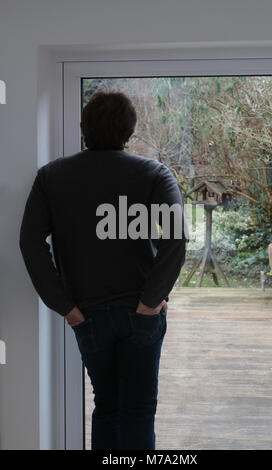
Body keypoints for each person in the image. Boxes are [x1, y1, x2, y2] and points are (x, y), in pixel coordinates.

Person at [19, 89, 188, 450]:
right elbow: (176, 241)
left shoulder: (52, 177)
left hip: (88, 314)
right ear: (130, 130)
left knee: (107, 407)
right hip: (140, 313)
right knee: (138, 411)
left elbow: (30, 244)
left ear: (83, 128)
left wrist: (64, 306)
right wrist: (150, 302)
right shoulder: (155, 173)